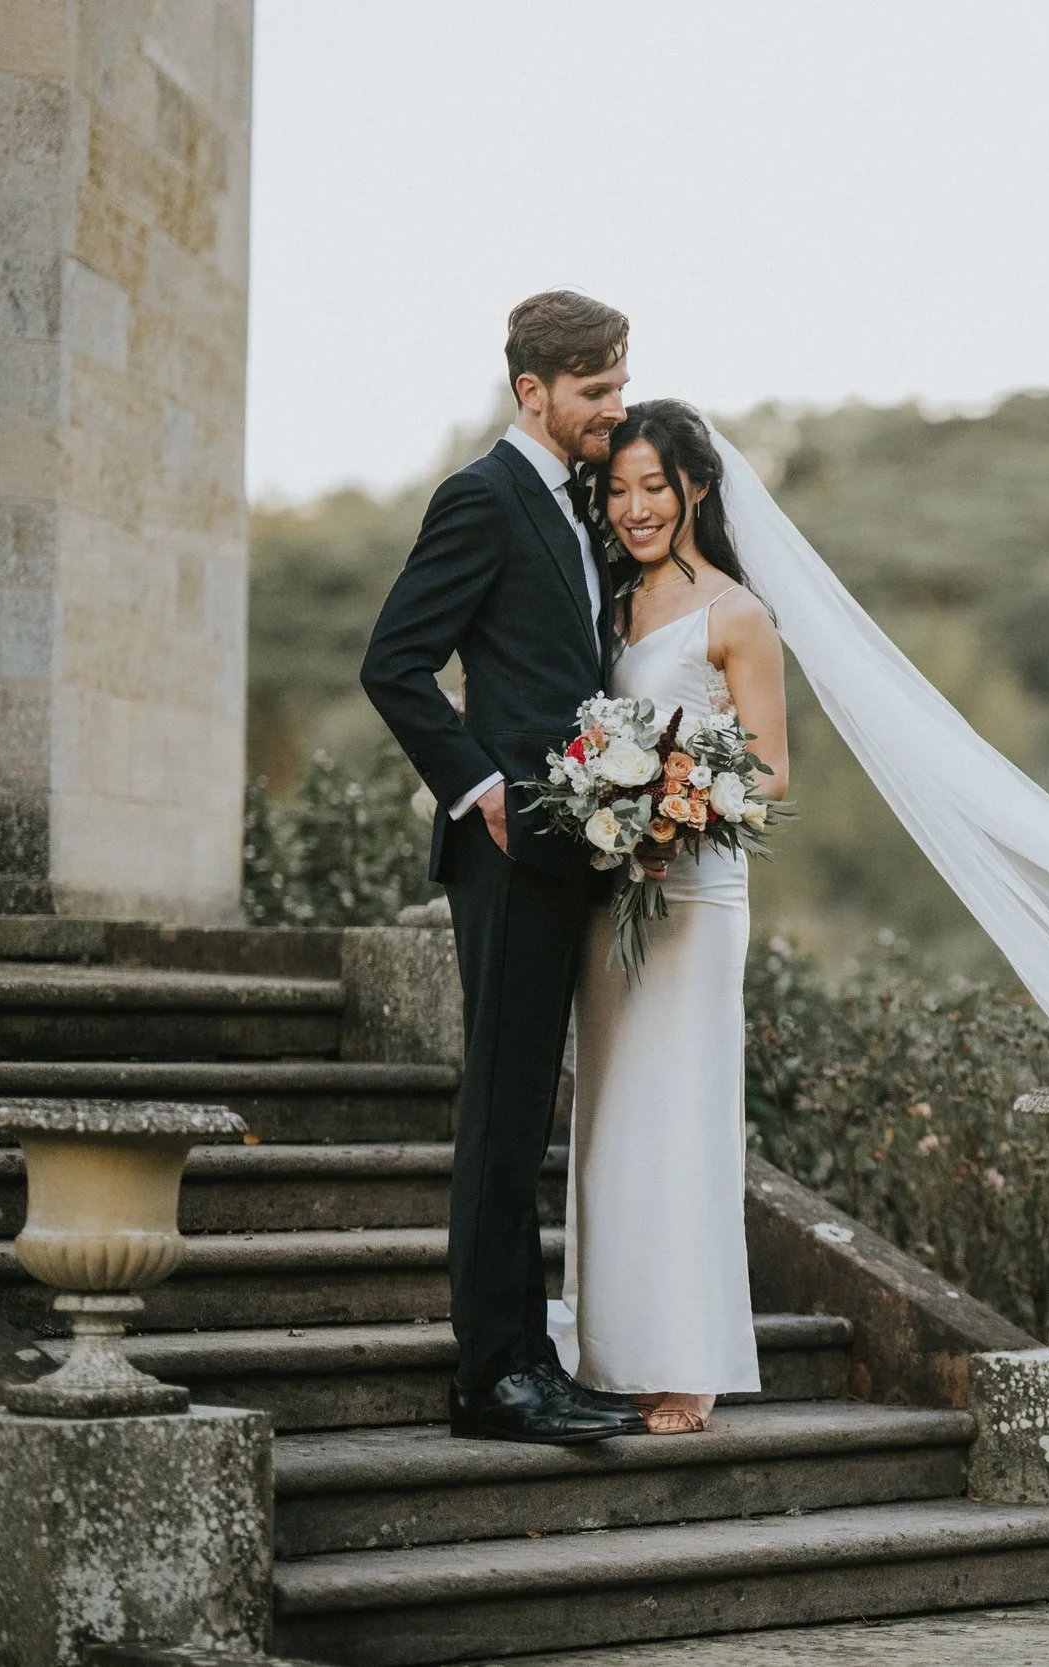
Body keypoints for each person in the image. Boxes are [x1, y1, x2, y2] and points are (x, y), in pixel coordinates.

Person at [361, 290, 645, 1444]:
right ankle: (492, 1376)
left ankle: (532, 1357)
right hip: (509, 847)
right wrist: (479, 790)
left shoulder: (576, 504)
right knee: (501, 1116)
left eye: (619, 386)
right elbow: (394, 663)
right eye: (594, 392)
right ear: (531, 390)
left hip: (574, 850)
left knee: (530, 1113)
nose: (612, 410)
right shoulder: (480, 497)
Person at [559, 399, 788, 1434]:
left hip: (694, 896)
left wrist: (676, 797)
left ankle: (686, 1361)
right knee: (612, 1118)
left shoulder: (736, 613)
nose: (634, 506)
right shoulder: (614, 604)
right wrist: (609, 802)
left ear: (696, 485)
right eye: (618, 488)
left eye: (654, 485)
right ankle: (611, 1344)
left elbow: (774, 770)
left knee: (681, 1115)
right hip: (616, 893)